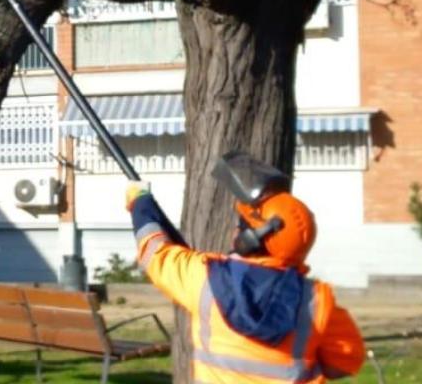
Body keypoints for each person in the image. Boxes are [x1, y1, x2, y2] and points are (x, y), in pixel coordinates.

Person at [126, 154, 365, 383]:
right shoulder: (318, 301)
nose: (235, 231)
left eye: (241, 225)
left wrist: (140, 202)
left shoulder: (204, 278)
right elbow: (345, 362)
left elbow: (155, 252)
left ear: (251, 238)